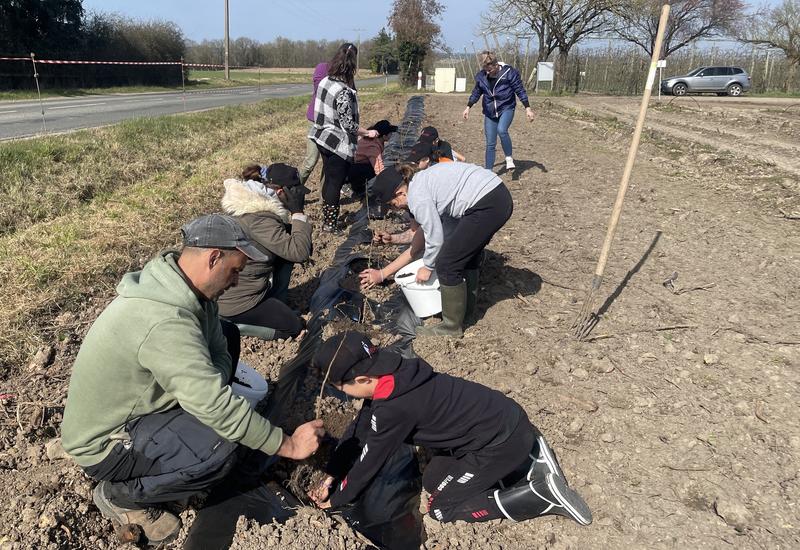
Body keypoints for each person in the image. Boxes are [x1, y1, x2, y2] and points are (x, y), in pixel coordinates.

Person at [60, 214, 324, 545]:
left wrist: (208, 390)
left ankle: (190, 421)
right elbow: (216, 404)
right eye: (235, 270)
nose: (237, 281)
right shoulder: (163, 322)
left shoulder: (188, 291)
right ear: (213, 258)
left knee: (227, 336)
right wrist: (288, 445)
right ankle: (121, 496)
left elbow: (218, 348)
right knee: (219, 448)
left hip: (134, 408)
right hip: (106, 442)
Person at [308, 331, 593, 526]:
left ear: (361, 378)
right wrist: (332, 474)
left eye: (340, 387)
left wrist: (337, 501)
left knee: (441, 508)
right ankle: (528, 459)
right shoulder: (393, 374)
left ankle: (540, 495)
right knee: (433, 480)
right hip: (503, 420)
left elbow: (370, 460)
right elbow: (361, 429)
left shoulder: (395, 408)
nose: (343, 393)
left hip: (499, 444)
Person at [360, 158, 513, 337]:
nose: (397, 209)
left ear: (399, 192)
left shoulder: (418, 197)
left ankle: (450, 327)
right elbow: (424, 236)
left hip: (488, 203)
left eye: (393, 205)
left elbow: (434, 238)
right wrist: (392, 242)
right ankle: (465, 313)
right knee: (461, 255)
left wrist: (428, 265)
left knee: (447, 264)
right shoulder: (423, 183)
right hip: (495, 196)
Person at [217, 163, 313, 340]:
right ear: (280, 192)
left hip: (239, 289)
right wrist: (298, 212)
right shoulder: (260, 218)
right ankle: (234, 326)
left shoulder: (252, 203)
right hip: (237, 301)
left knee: (288, 246)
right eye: (294, 192)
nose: (298, 196)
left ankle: (277, 300)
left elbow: (295, 247)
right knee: (295, 327)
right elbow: (300, 252)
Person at [309, 43, 379, 232]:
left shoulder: (325, 81)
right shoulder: (343, 91)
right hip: (336, 142)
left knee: (330, 179)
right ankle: (330, 224)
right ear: (352, 65)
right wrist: (368, 133)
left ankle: (327, 219)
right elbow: (348, 124)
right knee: (335, 182)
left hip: (321, 137)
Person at [463, 51, 534, 171]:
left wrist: (528, 108)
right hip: (490, 111)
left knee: (502, 130)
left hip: (506, 107)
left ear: (496, 65)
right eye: (486, 70)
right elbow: (476, 92)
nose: (487, 72)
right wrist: (468, 107)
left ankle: (509, 158)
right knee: (490, 143)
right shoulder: (482, 76)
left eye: (490, 70)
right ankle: (488, 172)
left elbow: (519, 90)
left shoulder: (509, 73)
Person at [346, 119, 398, 199]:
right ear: (384, 136)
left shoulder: (372, 138)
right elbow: (379, 168)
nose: (391, 135)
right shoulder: (373, 147)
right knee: (371, 170)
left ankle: (357, 186)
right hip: (353, 169)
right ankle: (357, 188)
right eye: (390, 133)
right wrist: (389, 185)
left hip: (354, 165)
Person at [299, 62, 330, 186]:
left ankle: (324, 199)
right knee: (310, 161)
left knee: (328, 163)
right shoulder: (322, 68)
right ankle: (293, 191)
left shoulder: (347, 75)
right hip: (315, 120)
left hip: (332, 124)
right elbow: (320, 90)